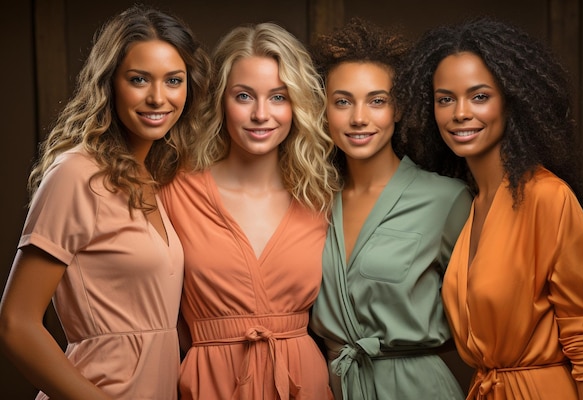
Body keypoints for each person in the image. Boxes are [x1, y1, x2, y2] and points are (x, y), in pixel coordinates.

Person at [398, 16, 583, 399]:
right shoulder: (471, 203)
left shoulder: (547, 197)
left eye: (479, 96)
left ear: (512, 101)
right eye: (445, 99)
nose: (460, 113)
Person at [0, 5, 210, 400]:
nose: (158, 97)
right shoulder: (76, 173)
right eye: (139, 79)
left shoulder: (153, 178)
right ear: (110, 83)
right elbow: (16, 323)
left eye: (174, 80)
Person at [159, 22, 339, 399]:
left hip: (301, 381)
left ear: (297, 104)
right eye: (244, 96)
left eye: (278, 97)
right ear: (220, 101)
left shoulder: (320, 197)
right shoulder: (176, 192)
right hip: (209, 382)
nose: (261, 114)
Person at [308, 18, 473, 400]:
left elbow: (486, 318)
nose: (359, 118)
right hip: (331, 386)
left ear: (398, 110)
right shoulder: (310, 199)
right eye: (343, 101)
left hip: (417, 388)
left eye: (377, 101)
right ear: (323, 109)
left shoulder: (445, 200)